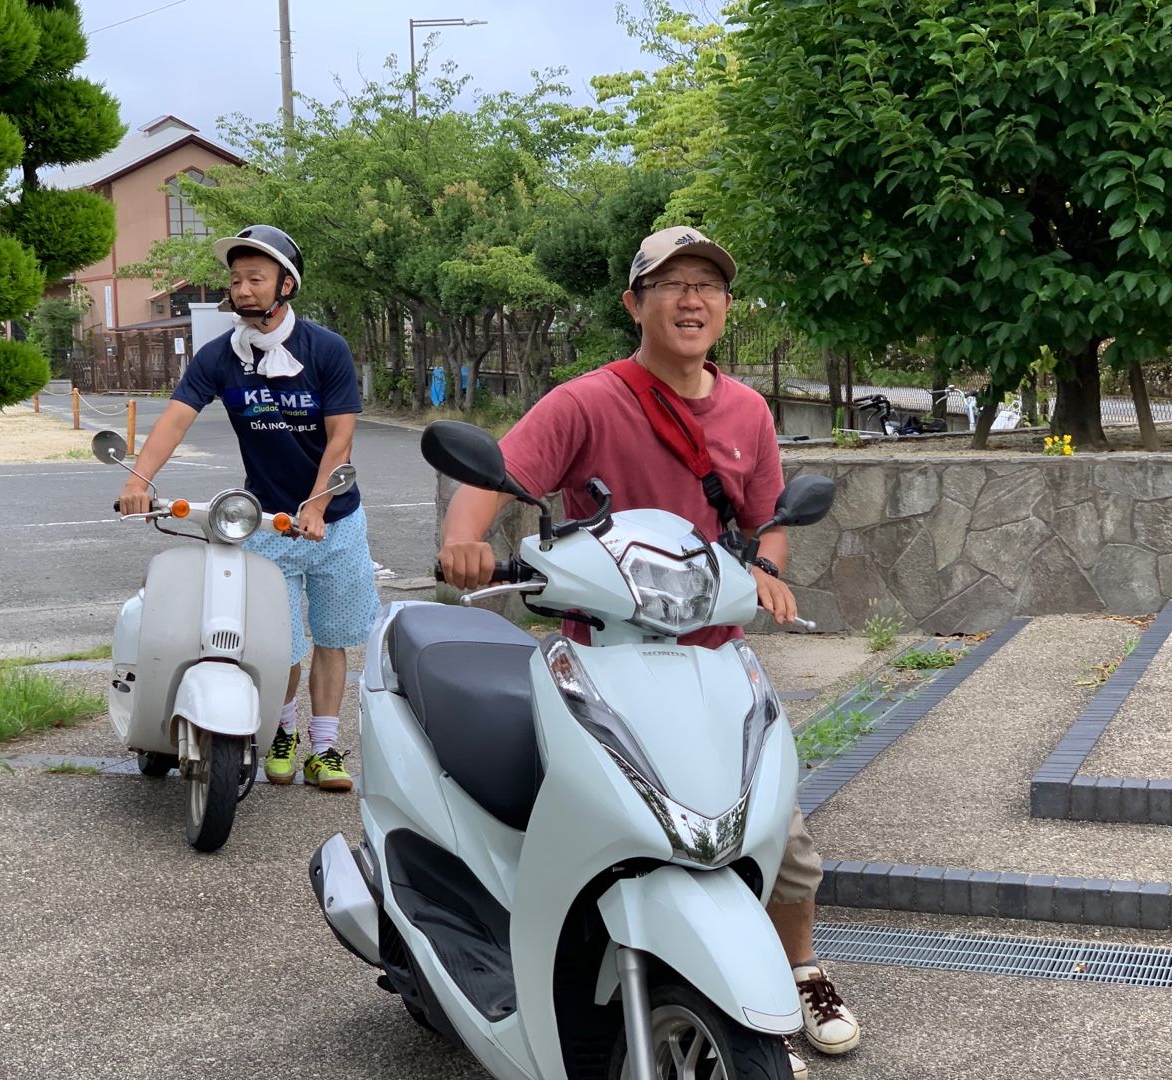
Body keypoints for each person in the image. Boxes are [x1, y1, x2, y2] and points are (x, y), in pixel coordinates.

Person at [437, 226, 861, 1080]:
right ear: (636, 303)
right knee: (582, 806)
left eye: (708, 285)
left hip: (712, 653)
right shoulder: (586, 401)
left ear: (726, 307)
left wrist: (768, 573)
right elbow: (496, 474)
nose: (692, 299)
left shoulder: (746, 411)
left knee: (779, 829)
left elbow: (768, 517)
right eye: (671, 284)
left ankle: (801, 967)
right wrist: (464, 541)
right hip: (601, 653)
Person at [118, 224, 378, 792]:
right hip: (266, 521)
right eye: (236, 280)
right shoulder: (220, 357)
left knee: (332, 639)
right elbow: (175, 418)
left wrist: (317, 505)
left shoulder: (325, 350)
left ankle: (327, 748)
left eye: (255, 278)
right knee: (278, 643)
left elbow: (341, 440)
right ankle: (281, 735)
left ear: (287, 284)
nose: (242, 290)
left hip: (334, 519)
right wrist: (140, 477)